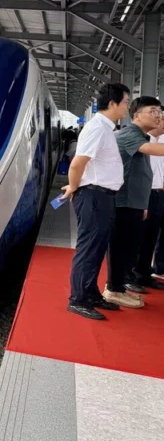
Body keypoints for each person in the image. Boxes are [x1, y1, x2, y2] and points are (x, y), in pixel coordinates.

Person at [60, 83, 129, 320]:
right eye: (126, 103)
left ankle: (90, 294)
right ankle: (77, 299)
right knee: (89, 249)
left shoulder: (106, 128)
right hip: (93, 195)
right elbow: (78, 163)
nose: (127, 107)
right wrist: (75, 187)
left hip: (103, 196)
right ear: (112, 104)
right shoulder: (97, 128)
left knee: (98, 249)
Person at [111, 96, 164, 299]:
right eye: (153, 111)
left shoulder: (141, 136)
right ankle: (115, 287)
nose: (158, 116)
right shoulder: (130, 135)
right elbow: (152, 150)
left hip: (136, 201)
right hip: (124, 201)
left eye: (159, 112)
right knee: (122, 247)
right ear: (137, 114)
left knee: (132, 245)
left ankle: (119, 286)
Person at [132, 117, 164, 290]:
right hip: (146, 194)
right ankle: (133, 275)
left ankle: (145, 273)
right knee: (140, 237)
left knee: (152, 236)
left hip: (160, 193)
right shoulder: (143, 142)